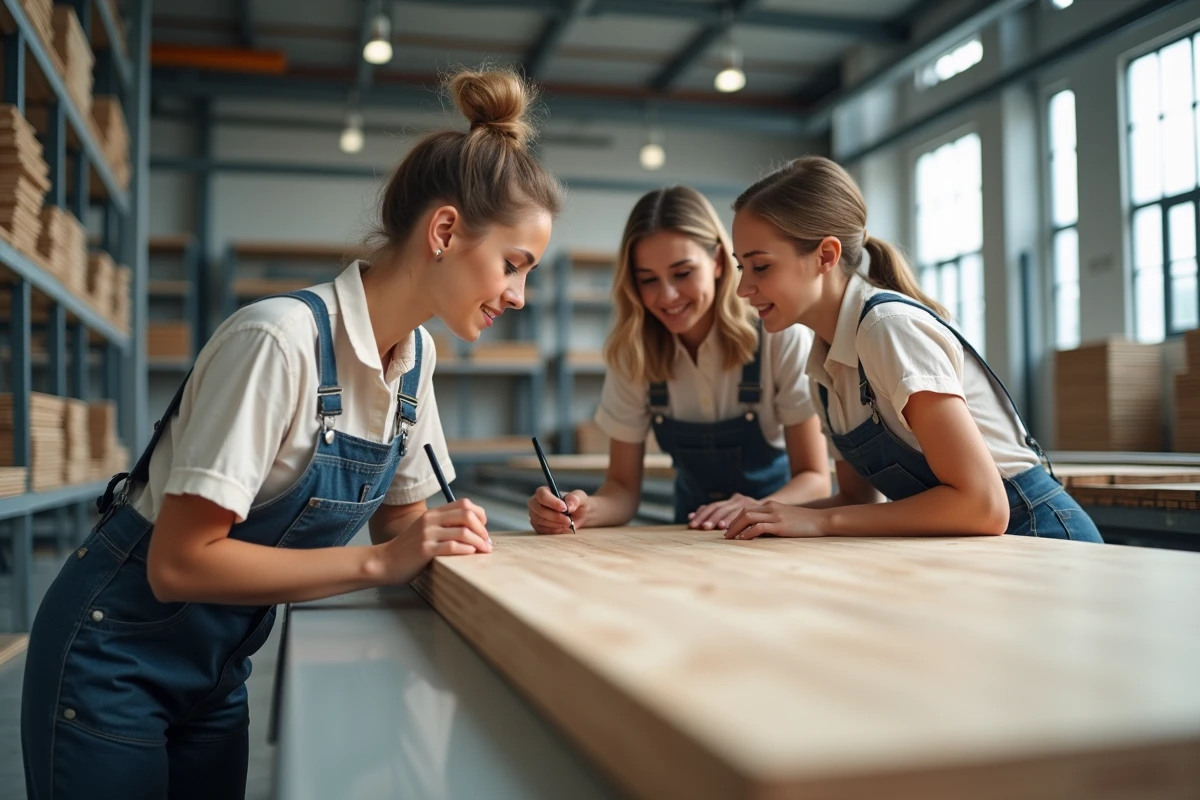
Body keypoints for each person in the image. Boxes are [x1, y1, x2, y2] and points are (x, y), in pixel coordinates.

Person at [22, 67, 563, 799]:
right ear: (444, 231)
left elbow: (399, 524)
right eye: (513, 266)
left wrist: (450, 531)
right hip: (113, 652)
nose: (518, 296)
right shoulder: (280, 342)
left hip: (219, 666)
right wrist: (384, 564)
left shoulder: (416, 358)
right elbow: (178, 564)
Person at [723, 155, 1101, 542]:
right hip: (978, 549)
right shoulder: (824, 362)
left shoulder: (888, 329)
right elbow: (858, 499)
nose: (742, 289)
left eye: (761, 267)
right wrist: (763, 511)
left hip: (1042, 538)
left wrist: (820, 522)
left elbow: (983, 507)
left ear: (825, 256)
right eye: (740, 267)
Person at [528, 186, 830, 534]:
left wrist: (760, 508)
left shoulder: (778, 335)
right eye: (648, 280)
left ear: (717, 262)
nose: (667, 295)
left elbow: (814, 478)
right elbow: (623, 490)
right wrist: (580, 508)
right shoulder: (635, 354)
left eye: (683, 273)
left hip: (775, 535)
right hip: (687, 536)